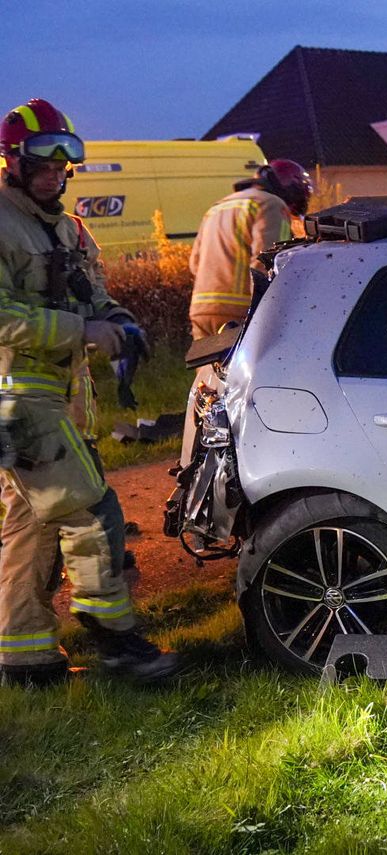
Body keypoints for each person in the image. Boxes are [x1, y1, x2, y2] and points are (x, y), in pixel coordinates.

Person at [0, 98, 179, 686]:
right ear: (13, 162)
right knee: (90, 507)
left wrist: (123, 323)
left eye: (63, 163)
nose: (55, 174)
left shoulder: (69, 229)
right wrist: (84, 331)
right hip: (16, 397)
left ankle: (25, 663)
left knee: (32, 529)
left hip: (60, 396)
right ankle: (117, 641)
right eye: (43, 164)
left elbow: (94, 296)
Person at [187, 159, 313, 340]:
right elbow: (268, 261)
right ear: (290, 191)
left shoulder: (217, 207)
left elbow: (194, 264)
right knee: (252, 368)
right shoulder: (271, 204)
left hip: (201, 310)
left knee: (208, 368)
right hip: (239, 311)